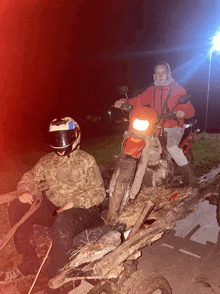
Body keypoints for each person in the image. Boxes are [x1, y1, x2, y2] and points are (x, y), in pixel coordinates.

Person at [0, 117, 106, 292]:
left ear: (76, 136)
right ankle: (30, 262)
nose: (60, 142)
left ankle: (56, 276)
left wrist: (73, 203)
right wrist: (24, 191)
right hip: (56, 209)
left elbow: (98, 193)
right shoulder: (47, 160)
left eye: (64, 136)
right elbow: (29, 178)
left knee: (63, 221)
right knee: (17, 206)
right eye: (56, 137)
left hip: (84, 210)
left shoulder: (86, 160)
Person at [115, 62, 196, 187]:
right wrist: (123, 102)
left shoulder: (178, 90)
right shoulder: (151, 91)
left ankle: (192, 179)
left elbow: (190, 111)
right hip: (154, 126)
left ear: (168, 74)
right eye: (157, 73)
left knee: (172, 147)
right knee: (137, 137)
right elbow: (137, 101)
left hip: (173, 126)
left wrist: (182, 113)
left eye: (163, 72)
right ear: (154, 76)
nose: (160, 75)